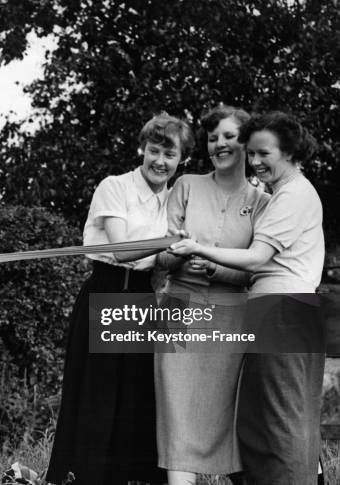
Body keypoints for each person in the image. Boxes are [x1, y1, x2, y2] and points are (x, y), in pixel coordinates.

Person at [169, 111, 325, 484]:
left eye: (263, 154)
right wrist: (217, 269)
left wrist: (199, 247)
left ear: (288, 151)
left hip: (282, 312)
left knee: (279, 423)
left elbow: (257, 258)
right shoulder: (284, 193)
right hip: (278, 311)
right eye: (251, 154)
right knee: (266, 421)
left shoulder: (292, 195)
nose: (255, 162)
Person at [46, 114, 195, 485]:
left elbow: (162, 261)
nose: (160, 160)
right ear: (142, 149)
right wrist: (170, 243)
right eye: (154, 150)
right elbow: (123, 249)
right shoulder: (114, 187)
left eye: (169, 154)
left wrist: (183, 251)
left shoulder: (173, 199)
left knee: (137, 393)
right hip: (108, 291)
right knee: (99, 393)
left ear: (182, 161)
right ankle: (86, 476)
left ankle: (130, 477)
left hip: (143, 295)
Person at [154, 106, 270, 485]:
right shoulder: (186, 185)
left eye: (228, 136)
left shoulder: (262, 201)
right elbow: (161, 254)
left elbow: (256, 267)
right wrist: (176, 255)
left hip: (229, 315)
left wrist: (216, 267)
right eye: (213, 138)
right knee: (178, 410)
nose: (219, 144)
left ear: (246, 144)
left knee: (226, 411)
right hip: (178, 308)